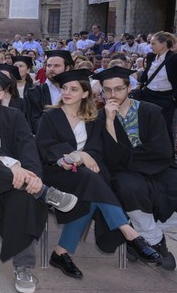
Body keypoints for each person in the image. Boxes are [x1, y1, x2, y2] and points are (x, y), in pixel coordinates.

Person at [0, 69, 79, 293]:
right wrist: (12, 165)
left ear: (2, 94)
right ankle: (45, 192)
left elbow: (27, 146)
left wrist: (31, 176)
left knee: (23, 201)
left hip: (19, 186)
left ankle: (23, 267)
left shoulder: (14, 116)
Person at [36, 69, 161, 278]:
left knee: (90, 188)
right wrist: (75, 156)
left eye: (73, 89)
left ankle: (61, 253)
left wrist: (85, 156)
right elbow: (44, 147)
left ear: (85, 93)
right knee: (91, 180)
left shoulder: (92, 119)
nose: (66, 92)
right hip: (56, 172)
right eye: (64, 88)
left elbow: (97, 151)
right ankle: (130, 233)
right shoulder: (50, 116)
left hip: (85, 175)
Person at [94, 66, 177, 271]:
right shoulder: (99, 118)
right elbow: (109, 158)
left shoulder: (150, 111)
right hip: (122, 174)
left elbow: (161, 149)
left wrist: (125, 157)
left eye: (118, 89)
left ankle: (136, 237)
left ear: (129, 87)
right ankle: (156, 242)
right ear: (102, 92)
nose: (113, 95)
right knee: (130, 189)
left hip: (156, 167)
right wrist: (110, 122)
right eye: (108, 90)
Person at [135, 31, 177, 147]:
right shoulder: (151, 56)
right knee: (146, 125)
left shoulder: (174, 58)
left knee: (164, 126)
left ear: (163, 44)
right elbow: (146, 73)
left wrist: (173, 97)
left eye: (153, 43)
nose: (150, 46)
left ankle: (169, 157)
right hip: (148, 95)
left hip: (166, 97)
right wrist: (140, 85)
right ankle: (148, 152)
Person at [26, 50, 72, 133]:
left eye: (57, 66)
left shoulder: (75, 91)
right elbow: (34, 122)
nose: (51, 69)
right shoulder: (35, 92)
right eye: (49, 66)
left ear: (67, 68)